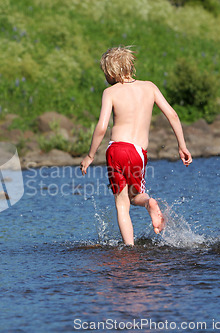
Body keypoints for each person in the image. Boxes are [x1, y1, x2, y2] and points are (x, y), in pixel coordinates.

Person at [80, 45, 192, 246]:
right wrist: (181, 146)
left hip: (115, 150)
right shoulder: (149, 87)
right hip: (137, 152)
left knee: (122, 203)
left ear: (111, 72)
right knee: (136, 196)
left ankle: (129, 249)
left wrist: (90, 156)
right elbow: (173, 115)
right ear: (130, 66)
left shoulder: (110, 92)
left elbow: (101, 127)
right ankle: (149, 203)